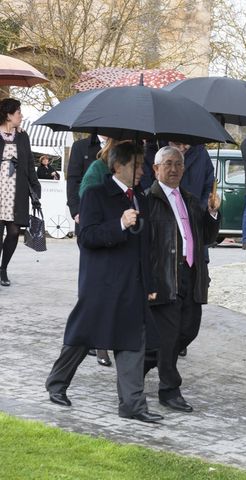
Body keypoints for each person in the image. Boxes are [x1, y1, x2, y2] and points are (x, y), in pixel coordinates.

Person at [45, 142, 163, 424]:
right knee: (81, 338)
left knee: (133, 343)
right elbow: (86, 237)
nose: (142, 170)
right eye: (136, 164)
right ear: (117, 166)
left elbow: (146, 247)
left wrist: (149, 284)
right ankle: (57, 384)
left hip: (132, 285)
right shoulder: (95, 195)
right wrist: (119, 224)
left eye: (142, 164)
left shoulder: (140, 198)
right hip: (102, 285)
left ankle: (133, 405)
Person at [143, 146, 221, 413]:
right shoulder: (148, 201)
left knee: (188, 330)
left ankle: (140, 363)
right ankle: (169, 389)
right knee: (169, 335)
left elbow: (207, 238)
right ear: (155, 169)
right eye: (168, 164)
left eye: (178, 164)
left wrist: (212, 213)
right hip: (164, 279)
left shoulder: (189, 199)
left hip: (191, 276)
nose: (173, 169)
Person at [78, 138, 132, 368]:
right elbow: (86, 196)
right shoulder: (97, 170)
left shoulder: (135, 180)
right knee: (94, 306)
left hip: (121, 244)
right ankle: (92, 347)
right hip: (101, 239)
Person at [0, 98, 41, 287]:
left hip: (17, 191)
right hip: (1, 190)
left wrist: (35, 188)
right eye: (18, 113)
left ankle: (3, 268)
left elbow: (30, 164)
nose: (21, 116)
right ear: (9, 115)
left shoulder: (23, 136)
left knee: (14, 231)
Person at [66, 133, 102, 231]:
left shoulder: (120, 146)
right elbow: (73, 180)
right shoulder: (80, 146)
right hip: (86, 210)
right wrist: (75, 210)